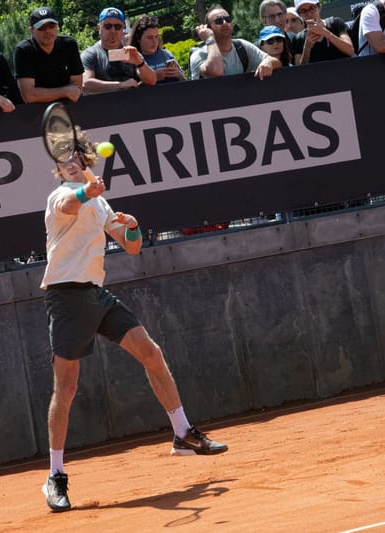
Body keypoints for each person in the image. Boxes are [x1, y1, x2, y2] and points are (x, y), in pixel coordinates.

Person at [39, 130, 228, 513]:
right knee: (67, 387)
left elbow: (132, 246)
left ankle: (182, 434)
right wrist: (84, 193)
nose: (70, 163)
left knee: (152, 353)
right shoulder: (60, 196)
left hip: (97, 293)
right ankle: (55, 475)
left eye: (75, 157)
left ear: (85, 161)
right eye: (63, 161)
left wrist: (134, 225)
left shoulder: (100, 202)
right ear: (57, 170)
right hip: (66, 297)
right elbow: (71, 205)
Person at [14, 7, 84, 104]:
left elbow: (76, 89)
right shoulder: (24, 50)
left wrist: (44, 95)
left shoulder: (69, 45)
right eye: (42, 27)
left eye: (51, 26)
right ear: (31, 31)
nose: (48, 31)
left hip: (68, 108)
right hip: (34, 113)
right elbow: (29, 96)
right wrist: (65, 91)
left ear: (57, 26)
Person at [190, 5, 281, 80]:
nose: (225, 23)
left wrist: (268, 62)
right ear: (209, 28)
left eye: (228, 19)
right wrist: (210, 39)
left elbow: (276, 62)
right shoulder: (199, 55)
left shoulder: (242, 46)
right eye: (218, 21)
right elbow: (216, 71)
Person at [81, 7, 157, 94]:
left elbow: (152, 80)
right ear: (99, 28)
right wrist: (121, 85)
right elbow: (85, 84)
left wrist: (140, 63)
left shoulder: (130, 51)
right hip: (104, 106)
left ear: (123, 28)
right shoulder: (91, 54)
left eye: (117, 27)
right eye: (108, 26)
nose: (113, 31)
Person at [292, 0, 354, 65]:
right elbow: (299, 71)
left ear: (319, 7)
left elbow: (350, 51)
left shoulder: (336, 23)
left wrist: (325, 33)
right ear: (299, 15)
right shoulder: (298, 39)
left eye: (312, 8)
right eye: (304, 11)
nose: (309, 14)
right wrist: (307, 47)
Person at [128, 14, 185, 83]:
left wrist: (178, 75)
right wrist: (153, 78)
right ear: (138, 38)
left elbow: (186, 82)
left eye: (156, 37)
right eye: (150, 38)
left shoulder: (166, 54)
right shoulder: (132, 60)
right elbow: (132, 89)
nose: (154, 41)